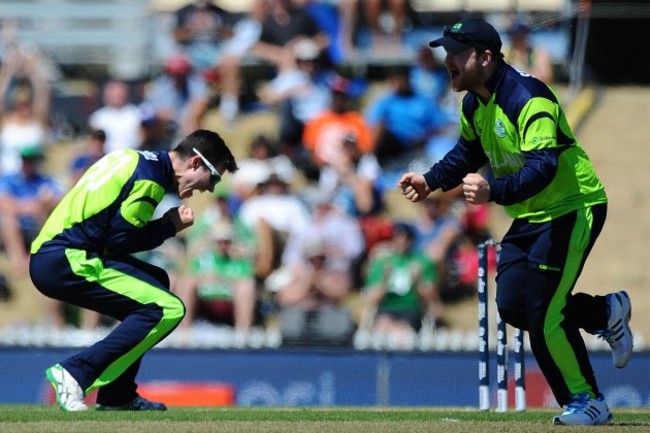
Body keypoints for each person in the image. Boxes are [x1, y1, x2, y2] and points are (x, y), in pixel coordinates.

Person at [398, 17, 633, 426]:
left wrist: (493, 192)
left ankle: (588, 400)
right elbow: (467, 153)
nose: (448, 61)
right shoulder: (474, 101)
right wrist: (430, 180)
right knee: (512, 305)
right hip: (530, 213)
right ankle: (603, 314)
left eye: (456, 53)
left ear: (485, 57)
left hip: (572, 207)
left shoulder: (529, 98)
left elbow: (542, 167)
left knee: (545, 313)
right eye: (445, 53)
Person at [29, 129, 238, 412]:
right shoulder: (151, 180)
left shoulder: (136, 159)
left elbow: (109, 232)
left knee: (157, 282)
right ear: (195, 163)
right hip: (66, 259)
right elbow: (121, 239)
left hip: (54, 254)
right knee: (167, 309)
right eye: (213, 177)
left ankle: (118, 395)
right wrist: (169, 226)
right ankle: (75, 372)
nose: (210, 188)